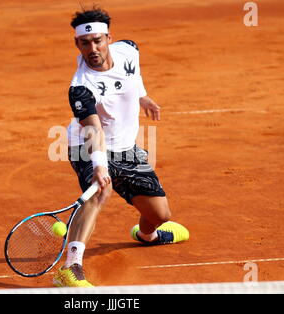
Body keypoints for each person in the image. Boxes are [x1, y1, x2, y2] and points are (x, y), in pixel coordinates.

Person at [52, 7, 189, 288]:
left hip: (126, 147)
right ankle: (70, 268)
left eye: (98, 40)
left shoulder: (128, 49)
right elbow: (93, 129)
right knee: (98, 192)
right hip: (88, 147)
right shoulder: (80, 87)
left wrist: (143, 97)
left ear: (109, 39)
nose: (93, 48)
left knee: (160, 215)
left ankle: (146, 235)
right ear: (77, 44)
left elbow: (132, 73)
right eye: (85, 43)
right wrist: (100, 165)